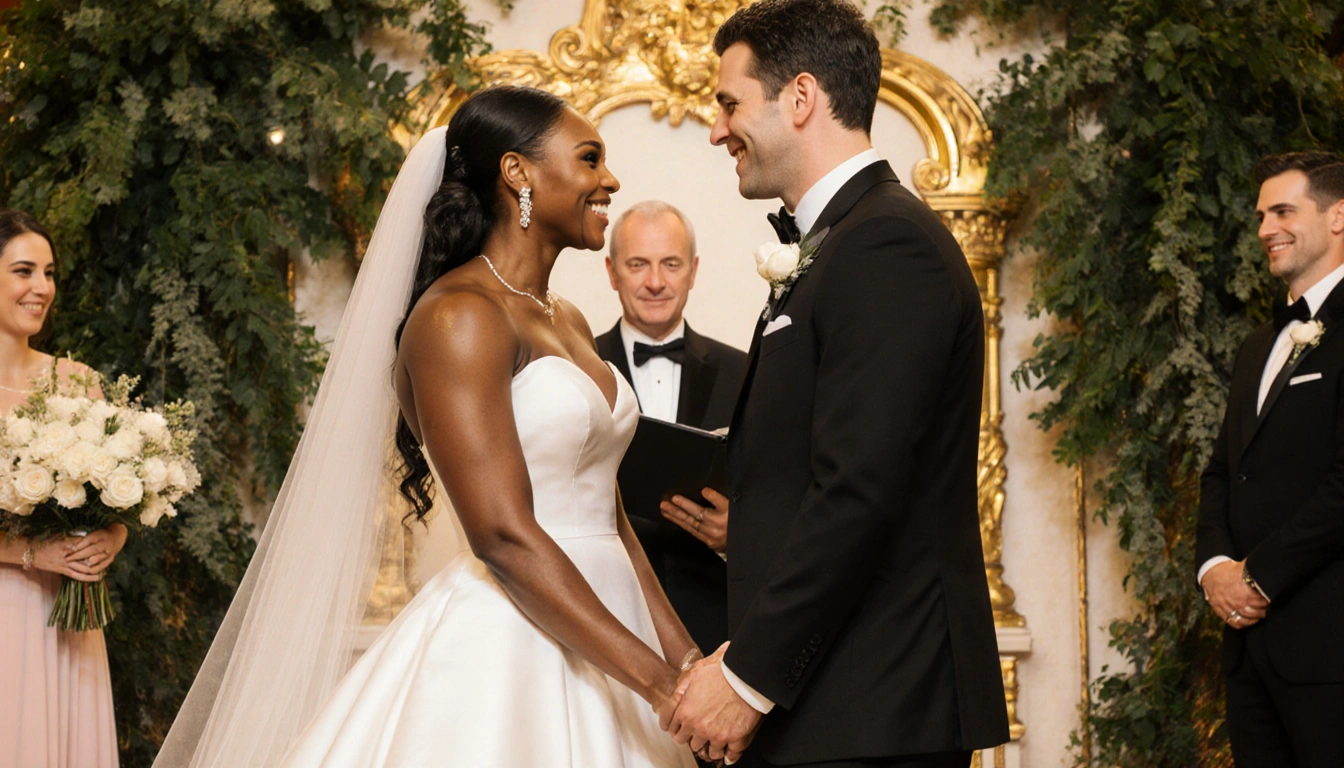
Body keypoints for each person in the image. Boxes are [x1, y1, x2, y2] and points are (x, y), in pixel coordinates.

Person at [153, 86, 697, 767]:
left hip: (617, 630)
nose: (609, 180)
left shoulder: (567, 318)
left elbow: (612, 522)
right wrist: (658, 684)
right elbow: (502, 536)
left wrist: (685, 662)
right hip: (514, 638)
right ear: (518, 172)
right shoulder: (458, 316)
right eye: (590, 158)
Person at [659, 1, 1010, 765]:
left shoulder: (886, 244)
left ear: (801, 98)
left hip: (877, 703)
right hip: (836, 700)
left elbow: (859, 489)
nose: (717, 130)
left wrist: (747, 677)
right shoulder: (845, 239)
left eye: (729, 104)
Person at [1195, 151, 1344, 767]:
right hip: (1250, 653)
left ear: (1339, 217)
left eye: (1283, 211)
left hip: (1330, 648)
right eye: (1260, 216)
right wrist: (1214, 569)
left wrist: (1256, 578)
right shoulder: (1259, 344)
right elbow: (1223, 471)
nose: (1265, 229)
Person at [596, 200, 747, 655]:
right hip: (604, 617)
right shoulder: (576, 367)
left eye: (671, 264)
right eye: (638, 264)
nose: (656, 282)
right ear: (612, 272)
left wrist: (739, 535)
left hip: (715, 627)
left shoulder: (745, 372)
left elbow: (781, 490)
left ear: (693, 271)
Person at [0, 208, 123, 768]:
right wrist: (34, 552)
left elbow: (116, 499)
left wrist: (113, 538)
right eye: (23, 271)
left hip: (72, 619)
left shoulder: (79, 382)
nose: (41, 288)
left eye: (48, 273)